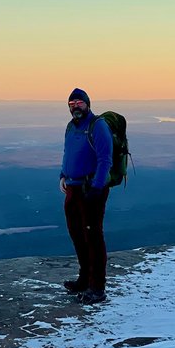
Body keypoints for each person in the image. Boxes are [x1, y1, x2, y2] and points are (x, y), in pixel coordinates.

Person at [59, 88, 112, 304]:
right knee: (77, 234)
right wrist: (63, 175)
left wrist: (97, 188)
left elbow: (105, 159)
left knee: (93, 237)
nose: (75, 107)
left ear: (88, 104)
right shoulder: (71, 127)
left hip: (90, 189)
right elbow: (67, 154)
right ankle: (84, 279)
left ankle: (97, 288)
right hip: (72, 187)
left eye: (79, 102)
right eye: (71, 104)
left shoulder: (97, 126)